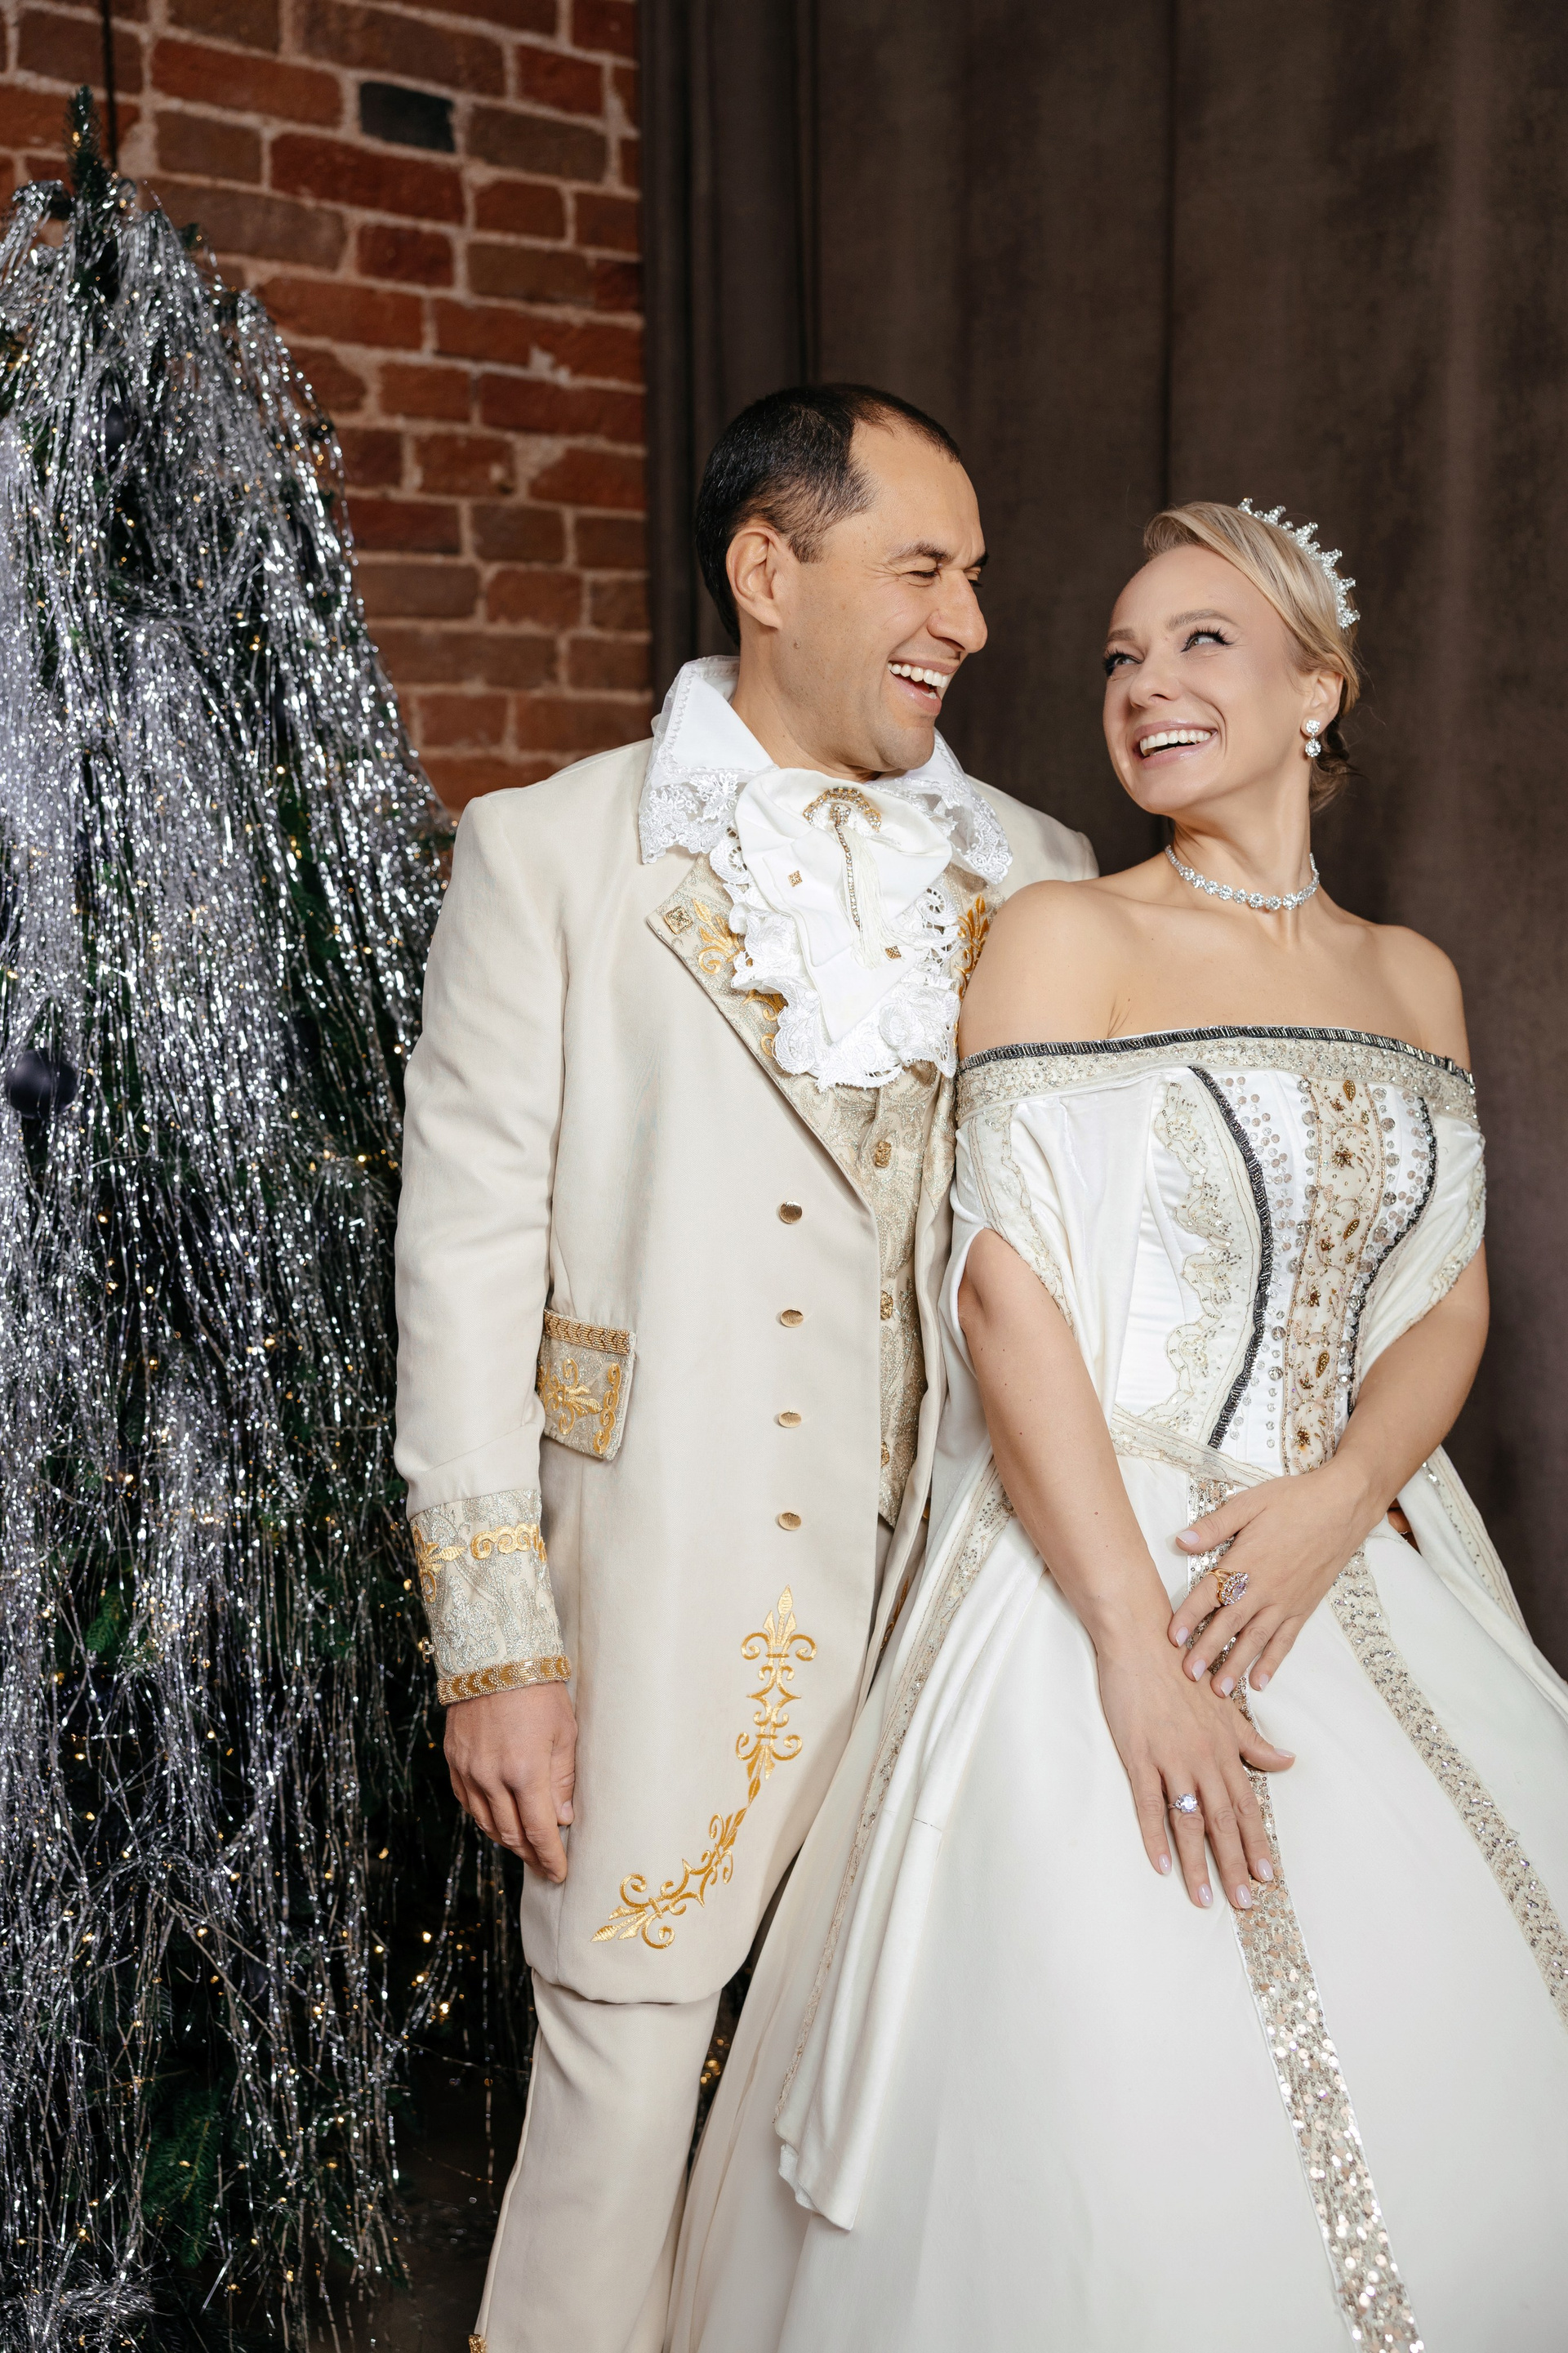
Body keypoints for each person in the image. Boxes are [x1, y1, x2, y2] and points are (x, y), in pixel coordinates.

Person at [668, 499, 1568, 2352]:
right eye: (1120, 657)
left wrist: (1340, 1497)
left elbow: (1451, 1303)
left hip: (1357, 1544)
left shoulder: (1414, 977)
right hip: (1103, 1551)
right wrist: (1137, 1650)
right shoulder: (1065, 928)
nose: (1146, 684)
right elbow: (1007, 1294)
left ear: (1319, 687)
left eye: (1202, 642)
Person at [392, 382, 1095, 2353]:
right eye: (925, 568)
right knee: (622, 2072)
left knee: (911, 2103)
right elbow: (461, 1262)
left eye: (976, 576)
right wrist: (498, 1646)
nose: (969, 621)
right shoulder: (551, 853)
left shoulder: (1039, 867)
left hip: (968, 1590)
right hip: (667, 1574)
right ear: (769, 568)